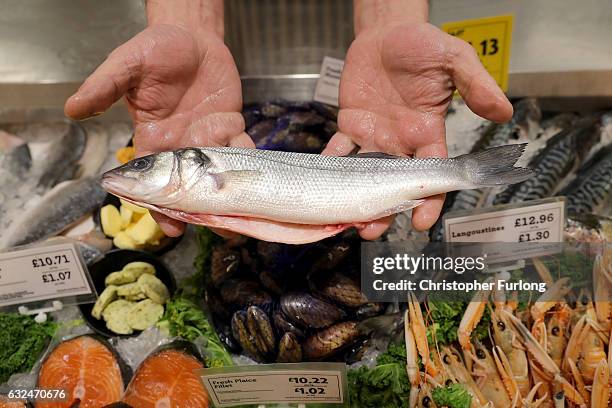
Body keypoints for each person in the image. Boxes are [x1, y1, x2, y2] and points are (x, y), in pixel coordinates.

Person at [65, 0, 512, 240]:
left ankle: (463, 173)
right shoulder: (198, 179)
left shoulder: (205, 170)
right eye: (141, 166)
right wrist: (188, 18)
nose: (134, 170)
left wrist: (388, 15)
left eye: (143, 165)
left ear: (189, 165)